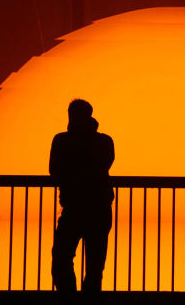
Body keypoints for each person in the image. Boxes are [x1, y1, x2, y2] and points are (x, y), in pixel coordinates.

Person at [49, 99, 114, 293]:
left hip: (79, 207)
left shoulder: (62, 141)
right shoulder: (103, 141)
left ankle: (71, 299)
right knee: (92, 264)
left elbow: (55, 170)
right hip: (96, 207)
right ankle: (84, 300)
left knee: (66, 259)